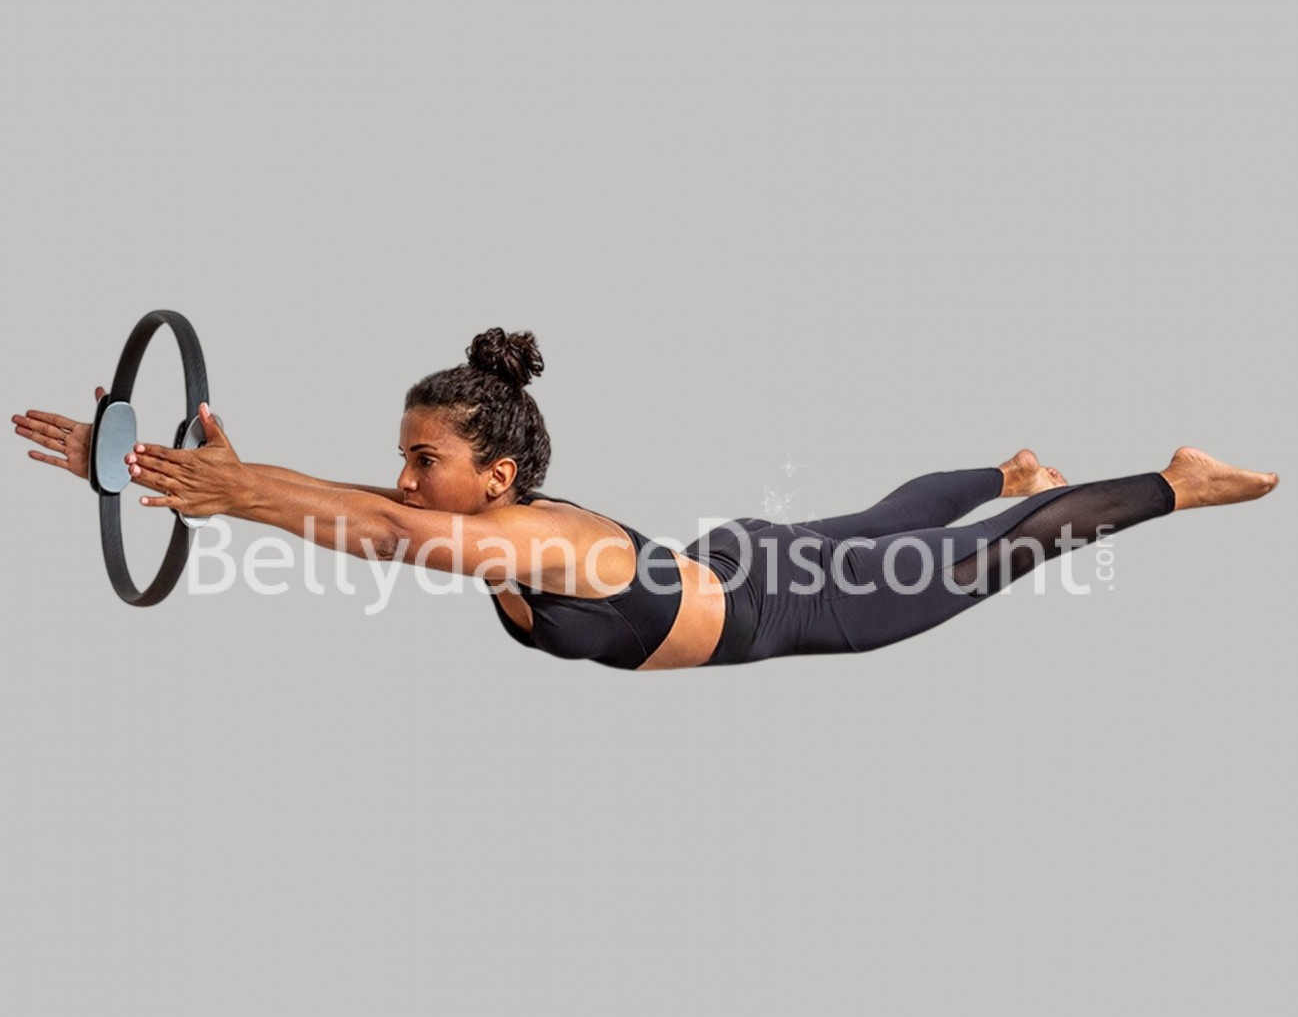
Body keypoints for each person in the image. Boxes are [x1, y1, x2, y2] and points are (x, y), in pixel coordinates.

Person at [12, 328, 1280, 670]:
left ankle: (1173, 480)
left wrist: (234, 491)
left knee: (999, 551)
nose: (403, 477)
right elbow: (368, 502)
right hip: (738, 559)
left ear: (495, 479)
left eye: (424, 458)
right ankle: (1006, 465)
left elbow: (386, 532)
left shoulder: (521, 539)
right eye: (403, 456)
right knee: (881, 515)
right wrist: (208, 482)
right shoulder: (482, 520)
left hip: (804, 607)